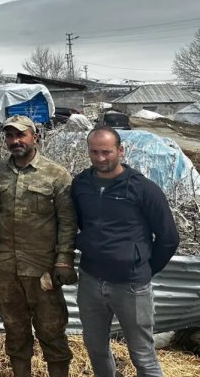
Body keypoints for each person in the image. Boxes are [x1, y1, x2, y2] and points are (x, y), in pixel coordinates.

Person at [71, 126, 179, 377]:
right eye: (94, 152)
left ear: (121, 151)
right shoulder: (81, 185)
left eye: (106, 152)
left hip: (131, 286)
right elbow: (81, 223)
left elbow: (168, 238)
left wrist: (143, 268)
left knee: (142, 354)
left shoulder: (143, 188)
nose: (100, 158)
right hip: (90, 280)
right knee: (95, 347)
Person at [0, 115, 77, 377]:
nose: (15, 141)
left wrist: (64, 259)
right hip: (7, 269)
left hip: (43, 270)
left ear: (35, 138)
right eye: (9, 136)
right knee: (14, 331)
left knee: (51, 331)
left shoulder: (56, 174)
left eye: (21, 135)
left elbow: (67, 222)